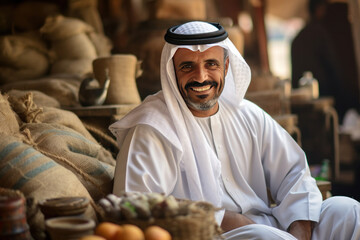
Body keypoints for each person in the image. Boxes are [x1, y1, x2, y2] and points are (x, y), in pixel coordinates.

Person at [110, 21, 360, 239]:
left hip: (271, 229)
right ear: (171, 71)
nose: (200, 77)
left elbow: (295, 174)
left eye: (211, 64)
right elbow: (135, 204)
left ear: (226, 67)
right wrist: (224, 219)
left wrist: (300, 232)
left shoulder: (248, 115)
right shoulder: (151, 128)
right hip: (210, 235)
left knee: (347, 211)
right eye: (187, 66)